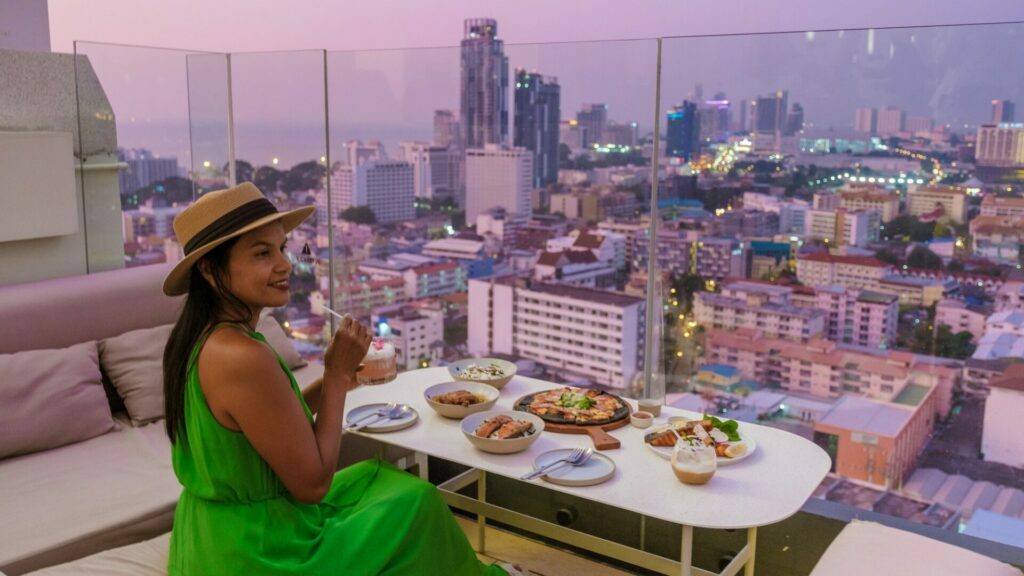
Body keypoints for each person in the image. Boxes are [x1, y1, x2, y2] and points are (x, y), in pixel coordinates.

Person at [161, 183, 517, 575]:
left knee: (374, 478)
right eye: (262, 253)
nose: (284, 265)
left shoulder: (201, 338)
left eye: (282, 248)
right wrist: (334, 374)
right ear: (210, 270)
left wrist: (340, 380)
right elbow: (313, 485)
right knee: (418, 501)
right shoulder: (244, 356)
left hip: (210, 533)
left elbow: (270, 419)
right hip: (260, 550)